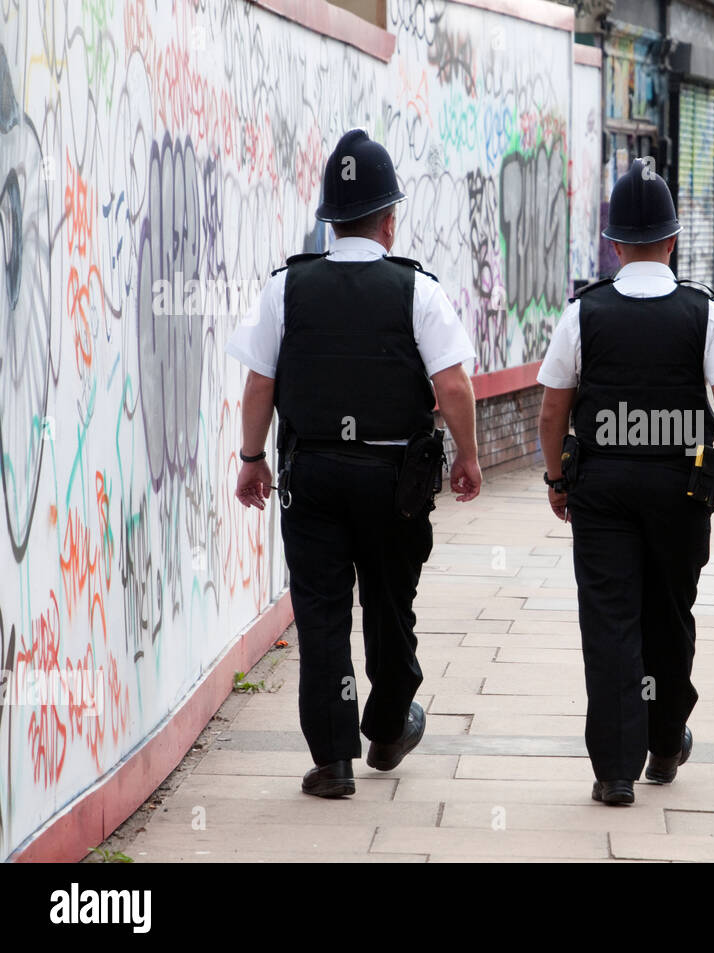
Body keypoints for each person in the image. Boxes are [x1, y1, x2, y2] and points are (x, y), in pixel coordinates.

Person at [227, 129, 482, 798]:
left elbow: (260, 384)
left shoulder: (287, 287)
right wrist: (469, 459)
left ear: (330, 221)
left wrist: (253, 457)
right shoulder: (416, 290)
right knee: (391, 604)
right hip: (393, 479)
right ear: (389, 219)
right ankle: (391, 723)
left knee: (322, 612)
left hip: (310, 476)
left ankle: (334, 757)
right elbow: (454, 386)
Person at [536, 159, 714, 806]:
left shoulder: (583, 314)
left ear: (614, 244)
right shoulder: (707, 315)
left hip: (603, 491)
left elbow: (554, 407)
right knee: (669, 617)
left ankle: (615, 769)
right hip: (679, 492)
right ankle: (665, 742)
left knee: (610, 620)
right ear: (672, 241)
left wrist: (557, 477)